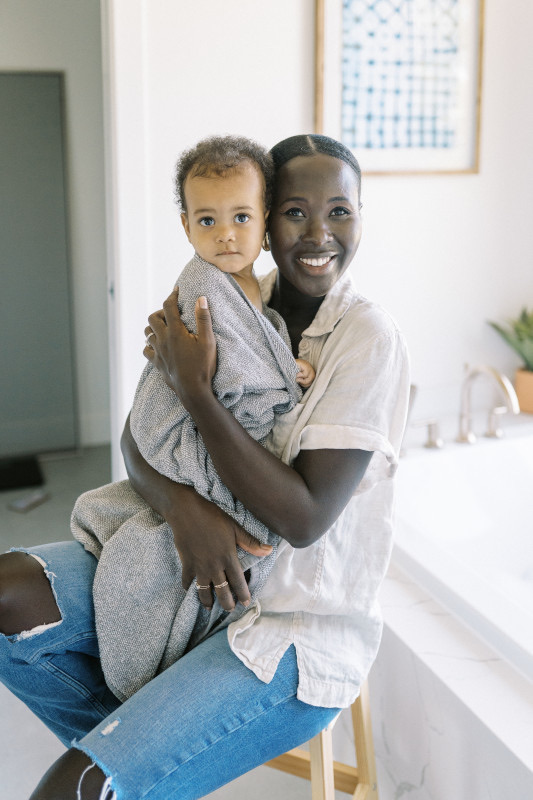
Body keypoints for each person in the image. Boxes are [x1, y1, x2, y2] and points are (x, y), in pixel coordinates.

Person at [0, 133, 410, 800]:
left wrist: (196, 389)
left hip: (289, 627)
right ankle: (140, 759)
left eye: (341, 210)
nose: (318, 232)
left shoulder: (369, 338)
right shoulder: (230, 298)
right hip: (195, 575)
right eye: (294, 211)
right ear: (267, 214)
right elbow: (141, 434)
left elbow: (302, 520)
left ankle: (124, 768)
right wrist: (183, 509)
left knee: (72, 789)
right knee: (8, 590)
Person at [70, 135, 315, 700]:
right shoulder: (203, 286)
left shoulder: (251, 284)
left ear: (265, 219)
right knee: (205, 545)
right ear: (186, 227)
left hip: (202, 416)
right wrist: (288, 382)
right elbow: (234, 382)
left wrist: (287, 363)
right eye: (206, 220)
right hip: (178, 431)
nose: (224, 233)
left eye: (240, 217)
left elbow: (252, 343)